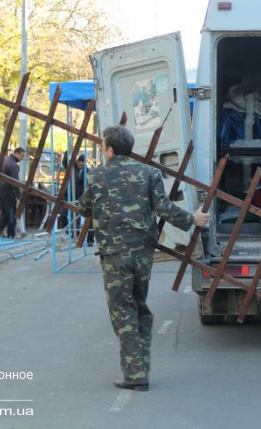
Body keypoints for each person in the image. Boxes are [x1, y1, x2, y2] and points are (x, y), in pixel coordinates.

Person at [76, 126, 210, 392]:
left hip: (114, 254)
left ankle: (136, 374)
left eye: (103, 147)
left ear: (110, 150)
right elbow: (163, 206)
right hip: (142, 253)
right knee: (139, 306)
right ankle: (139, 367)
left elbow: (83, 208)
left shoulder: (97, 175)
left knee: (122, 311)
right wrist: (191, 219)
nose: (103, 151)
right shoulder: (148, 172)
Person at [0, 147, 25, 238]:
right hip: (8, 190)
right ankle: (10, 233)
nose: (22, 158)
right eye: (21, 155)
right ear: (16, 153)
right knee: (11, 212)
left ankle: (0, 229)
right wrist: (18, 194)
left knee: (5, 211)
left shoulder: (6, 160)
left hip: (1, 189)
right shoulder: (13, 165)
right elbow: (15, 181)